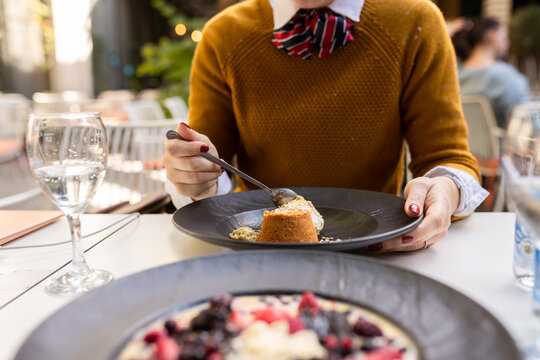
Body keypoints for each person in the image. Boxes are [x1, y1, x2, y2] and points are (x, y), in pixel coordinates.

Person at [163, 0, 488, 252]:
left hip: (377, 253)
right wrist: (197, 179)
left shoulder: (415, 21)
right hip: (254, 250)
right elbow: (209, 170)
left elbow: (449, 158)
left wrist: (444, 191)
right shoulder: (223, 35)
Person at [451, 17, 529, 129]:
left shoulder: (455, 73)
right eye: (504, 37)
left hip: (462, 144)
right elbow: (523, 118)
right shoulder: (505, 76)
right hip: (499, 145)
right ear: (492, 36)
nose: (508, 43)